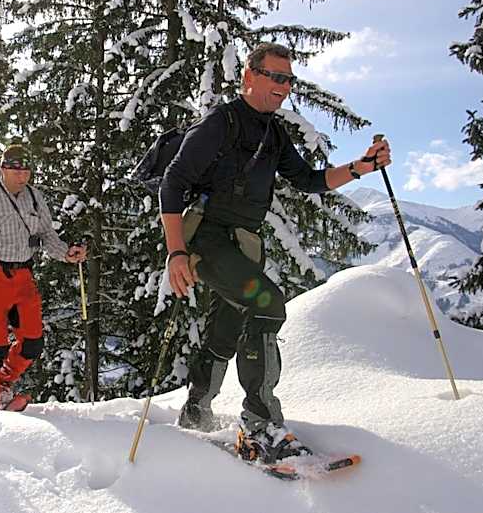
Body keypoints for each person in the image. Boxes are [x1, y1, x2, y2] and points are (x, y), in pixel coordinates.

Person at [160, 42, 392, 463]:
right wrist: (176, 253)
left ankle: (196, 408)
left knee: (227, 324)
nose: (284, 87)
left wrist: (362, 166)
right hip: (208, 238)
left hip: (243, 243)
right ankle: (261, 424)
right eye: (276, 77)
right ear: (249, 76)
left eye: (289, 80)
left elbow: (307, 179)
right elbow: (173, 183)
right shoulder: (220, 123)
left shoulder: (275, 132)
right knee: (267, 305)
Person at [0, 145, 87, 410]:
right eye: (16, 171)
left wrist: (67, 254)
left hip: (24, 275)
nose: (22, 177)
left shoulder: (35, 198)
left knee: (33, 342)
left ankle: (1, 384)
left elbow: (47, 236)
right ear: (3, 170)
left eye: (26, 171)